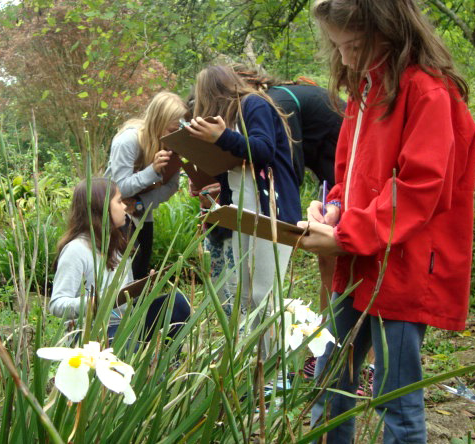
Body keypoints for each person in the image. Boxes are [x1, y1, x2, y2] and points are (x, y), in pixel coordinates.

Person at [298, 1, 475, 442]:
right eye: (337, 47)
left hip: (401, 271)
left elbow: (419, 189)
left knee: (395, 397)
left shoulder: (428, 92)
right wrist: (334, 206)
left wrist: (345, 234)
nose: (343, 58)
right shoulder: (366, 90)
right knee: (329, 378)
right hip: (357, 264)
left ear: (389, 31)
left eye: (354, 45)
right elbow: (352, 174)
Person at [186, 65, 301, 360]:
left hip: (271, 211)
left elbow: (263, 151)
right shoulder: (229, 122)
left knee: (265, 295)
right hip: (240, 213)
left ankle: (275, 368)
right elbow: (232, 170)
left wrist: (222, 138)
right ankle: (253, 364)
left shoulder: (254, 105)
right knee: (244, 295)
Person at [236, 67, 346, 316]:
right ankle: (328, 336)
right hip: (330, 168)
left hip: (348, 165)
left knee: (336, 258)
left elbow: (290, 166)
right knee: (327, 259)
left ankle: (341, 339)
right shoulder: (276, 99)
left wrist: (286, 219)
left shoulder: (277, 103)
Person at [48, 178, 191, 342]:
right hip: (93, 332)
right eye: (119, 201)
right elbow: (56, 304)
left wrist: (144, 289)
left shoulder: (116, 245)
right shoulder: (76, 250)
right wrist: (95, 303)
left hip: (124, 322)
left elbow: (123, 301)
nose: (124, 207)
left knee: (178, 303)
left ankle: (163, 362)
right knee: (128, 344)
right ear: (102, 208)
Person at [105, 92, 188, 279]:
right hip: (115, 216)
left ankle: (138, 309)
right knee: (120, 275)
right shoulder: (127, 141)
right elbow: (119, 187)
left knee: (140, 273)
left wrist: (141, 203)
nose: (174, 137)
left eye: (178, 131)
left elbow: (171, 187)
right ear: (157, 123)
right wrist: (152, 171)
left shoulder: (172, 145)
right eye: (170, 131)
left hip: (143, 215)